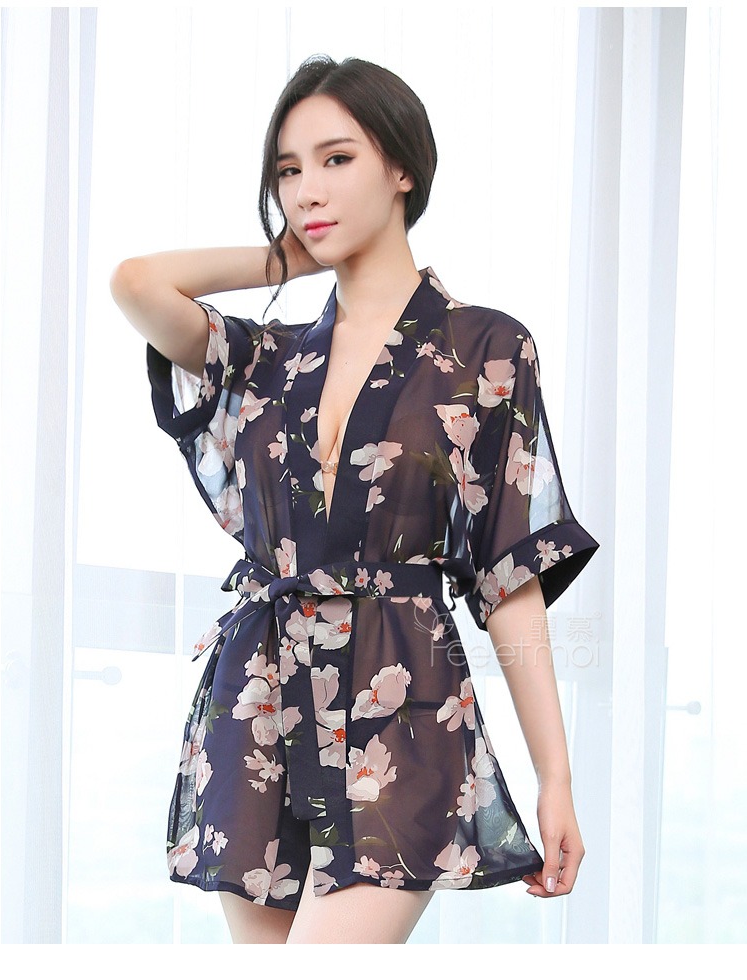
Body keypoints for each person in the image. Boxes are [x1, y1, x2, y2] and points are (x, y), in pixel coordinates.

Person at [109, 54, 600, 945]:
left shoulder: (486, 349)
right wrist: (287, 257)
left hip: (399, 711)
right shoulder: (267, 359)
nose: (308, 189)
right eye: (289, 171)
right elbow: (137, 283)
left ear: (402, 167)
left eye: (337, 159)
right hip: (260, 706)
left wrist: (555, 777)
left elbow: (510, 577)